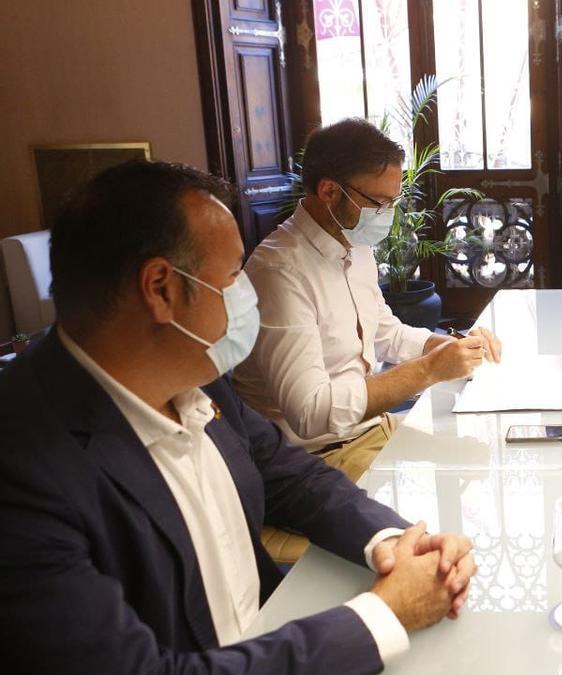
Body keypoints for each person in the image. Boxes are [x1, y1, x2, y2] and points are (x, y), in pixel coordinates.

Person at [0, 160, 476, 673]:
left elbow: (290, 476)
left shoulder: (191, 369)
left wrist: (398, 542)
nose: (246, 294)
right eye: (233, 276)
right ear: (161, 288)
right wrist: (385, 614)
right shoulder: (23, 470)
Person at [233, 118, 501, 557]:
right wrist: (431, 370)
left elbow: (384, 331)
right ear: (329, 191)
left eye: (393, 202)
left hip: (370, 432)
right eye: (378, 202)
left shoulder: (354, 247)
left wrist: (442, 345)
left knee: (481, 460)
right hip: (313, 464)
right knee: (442, 548)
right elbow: (311, 413)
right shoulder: (279, 273)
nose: (388, 215)